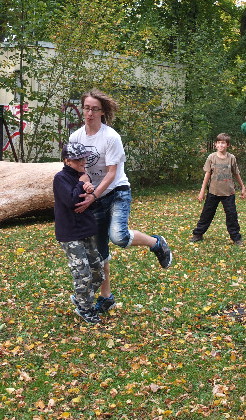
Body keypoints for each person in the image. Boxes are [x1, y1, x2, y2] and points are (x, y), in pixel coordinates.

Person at [70, 89, 172, 314]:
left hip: (117, 192)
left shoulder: (111, 137)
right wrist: (84, 186)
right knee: (100, 251)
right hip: (94, 197)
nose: (89, 113)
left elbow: (111, 173)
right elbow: (76, 168)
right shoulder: (76, 137)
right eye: (86, 108)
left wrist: (94, 194)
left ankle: (156, 243)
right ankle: (106, 298)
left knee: (119, 236)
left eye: (94, 109)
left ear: (102, 112)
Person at [53, 142, 104, 324]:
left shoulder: (83, 176)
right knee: (83, 274)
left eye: (84, 158)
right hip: (70, 234)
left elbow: (90, 204)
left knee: (97, 273)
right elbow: (71, 202)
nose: (83, 161)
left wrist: (91, 194)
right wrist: (82, 184)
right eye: (78, 159)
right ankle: (85, 308)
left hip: (87, 230)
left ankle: (80, 298)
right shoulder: (60, 178)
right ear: (67, 161)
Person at [190, 133, 246, 245]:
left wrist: (243, 187)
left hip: (228, 193)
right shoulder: (211, 157)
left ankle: (236, 238)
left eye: (223, 143)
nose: (220, 145)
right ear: (215, 144)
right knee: (206, 214)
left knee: (232, 216)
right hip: (213, 192)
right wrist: (202, 191)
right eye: (218, 143)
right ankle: (198, 234)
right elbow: (207, 174)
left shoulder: (231, 158)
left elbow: (236, 173)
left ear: (228, 145)